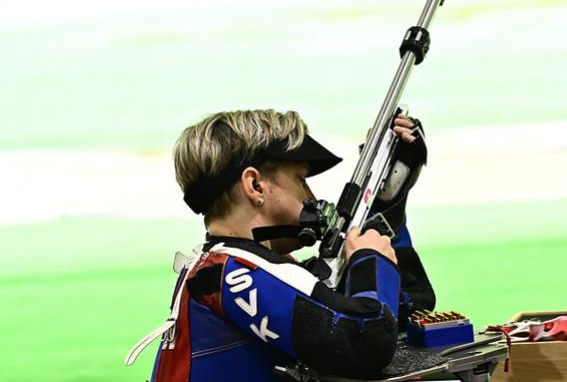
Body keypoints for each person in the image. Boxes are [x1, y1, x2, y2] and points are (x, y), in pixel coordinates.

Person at [131, 109, 435, 382]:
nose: (312, 197)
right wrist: (370, 260)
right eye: (301, 179)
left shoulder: (232, 270)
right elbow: (366, 342)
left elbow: (408, 307)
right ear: (255, 186)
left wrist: (389, 202)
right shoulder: (240, 272)